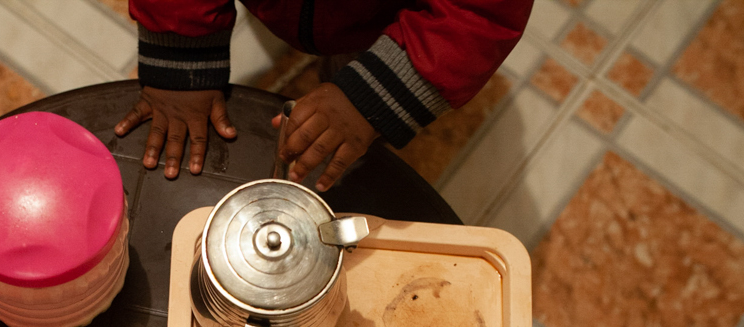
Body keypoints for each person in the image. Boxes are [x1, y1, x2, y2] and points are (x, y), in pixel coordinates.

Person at [115, 0, 534, 192]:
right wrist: (179, 48)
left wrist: (371, 97)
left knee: (355, 94)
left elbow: (480, 11)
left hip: (378, 16)